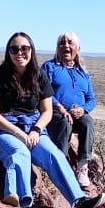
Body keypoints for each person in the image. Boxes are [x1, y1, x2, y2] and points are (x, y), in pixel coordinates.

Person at [0, 33, 105, 208]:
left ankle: (80, 201)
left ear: (31, 50)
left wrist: (36, 130)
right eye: (14, 49)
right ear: (8, 52)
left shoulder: (39, 76)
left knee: (54, 155)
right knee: (20, 152)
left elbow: (47, 111)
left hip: (32, 127)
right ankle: (22, 202)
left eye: (24, 48)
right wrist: (18, 133)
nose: (20, 53)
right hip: (3, 128)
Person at [42, 32, 97, 188]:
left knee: (87, 122)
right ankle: (62, 165)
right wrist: (59, 106)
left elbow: (91, 99)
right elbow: (42, 90)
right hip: (55, 113)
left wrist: (83, 109)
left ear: (77, 48)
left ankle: (82, 167)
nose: (66, 45)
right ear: (57, 48)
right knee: (64, 121)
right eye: (62, 43)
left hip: (77, 114)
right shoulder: (49, 67)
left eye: (70, 42)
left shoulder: (83, 73)